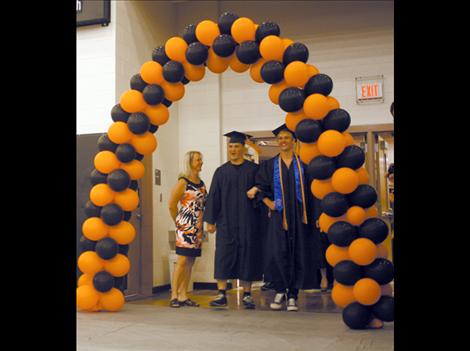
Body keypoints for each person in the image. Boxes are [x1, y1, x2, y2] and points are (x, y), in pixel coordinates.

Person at [247, 124, 323, 312]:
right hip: (278, 217)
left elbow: (314, 192)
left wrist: (318, 215)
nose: (282, 141)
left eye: (286, 138)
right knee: (278, 253)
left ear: (294, 141)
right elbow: (260, 187)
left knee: (297, 252)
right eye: (280, 138)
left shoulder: (303, 165)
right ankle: (280, 290)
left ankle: (293, 295)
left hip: (299, 217)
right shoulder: (269, 165)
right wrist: (268, 202)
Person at [203, 131, 264, 309]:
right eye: (230, 146)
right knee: (223, 255)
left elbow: (263, 187)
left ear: (243, 148)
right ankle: (221, 293)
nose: (233, 150)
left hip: (248, 221)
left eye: (236, 146)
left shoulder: (253, 170)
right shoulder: (221, 172)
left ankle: (247, 294)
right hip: (226, 221)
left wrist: (256, 188)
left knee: (247, 255)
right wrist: (210, 220)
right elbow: (213, 197)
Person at [168, 151, 207, 308]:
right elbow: (172, 205)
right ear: (190, 162)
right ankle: (174, 296)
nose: (201, 162)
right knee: (182, 260)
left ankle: (184, 295)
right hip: (185, 227)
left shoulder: (201, 182)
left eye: (201, 160)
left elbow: (204, 204)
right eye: (198, 160)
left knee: (190, 261)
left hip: (197, 228)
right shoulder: (183, 182)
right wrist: (179, 223)